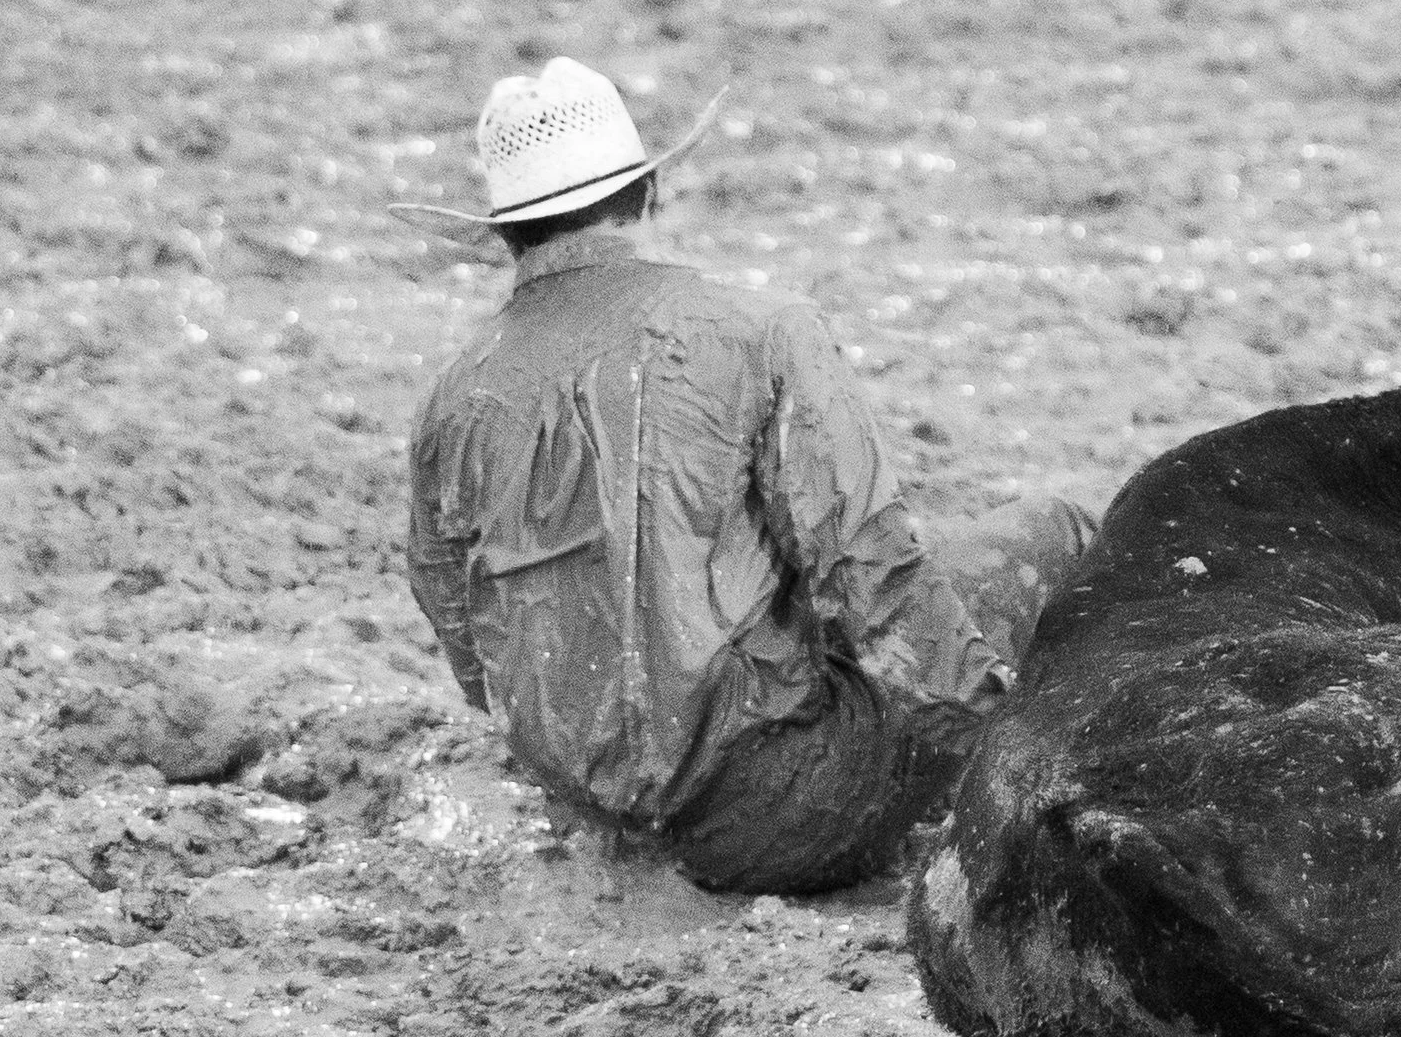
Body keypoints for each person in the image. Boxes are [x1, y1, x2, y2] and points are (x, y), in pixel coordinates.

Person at [392, 58, 1095, 894]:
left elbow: (459, 625)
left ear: (507, 236)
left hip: (594, 811)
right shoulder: (762, 332)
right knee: (1057, 532)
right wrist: (1001, 748)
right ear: (648, 193)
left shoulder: (453, 394)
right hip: (779, 812)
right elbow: (874, 578)